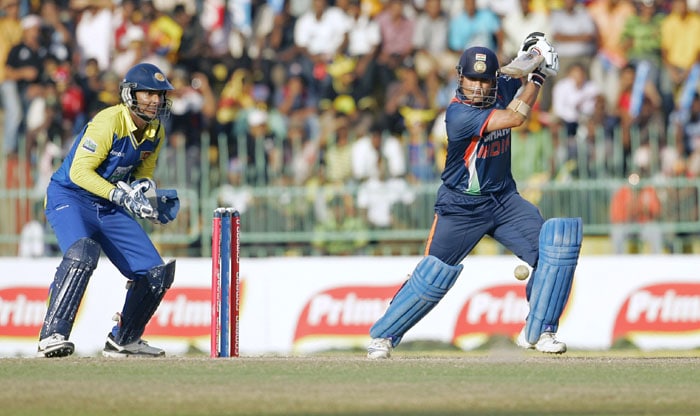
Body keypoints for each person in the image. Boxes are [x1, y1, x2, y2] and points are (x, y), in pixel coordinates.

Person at [366, 35, 583, 359]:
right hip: (460, 207)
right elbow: (515, 117)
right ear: (460, 77)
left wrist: (533, 54)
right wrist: (538, 75)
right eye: (473, 79)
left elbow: (513, 70)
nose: (479, 87)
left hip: (504, 201)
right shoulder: (458, 115)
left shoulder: (499, 86)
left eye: (485, 80)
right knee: (432, 275)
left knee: (557, 248)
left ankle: (541, 331)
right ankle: (383, 336)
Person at [36, 63, 180, 358]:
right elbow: (79, 172)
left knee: (155, 272)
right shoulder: (109, 122)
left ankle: (124, 339)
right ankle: (52, 334)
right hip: (71, 196)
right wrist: (118, 194)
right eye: (147, 94)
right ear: (130, 95)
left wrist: (149, 201)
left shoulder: (155, 132)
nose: (155, 100)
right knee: (83, 253)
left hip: (107, 204)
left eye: (159, 95)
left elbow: (143, 176)